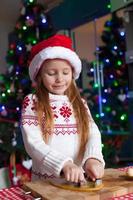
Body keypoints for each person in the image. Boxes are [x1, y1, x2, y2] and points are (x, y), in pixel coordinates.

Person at [21, 34, 105, 183]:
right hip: (46, 184)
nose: (59, 79)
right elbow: (33, 143)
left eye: (65, 72)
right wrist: (64, 164)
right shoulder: (33, 102)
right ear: (39, 76)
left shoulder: (80, 104)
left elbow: (93, 133)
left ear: (72, 73)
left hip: (79, 182)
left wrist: (92, 158)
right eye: (51, 73)